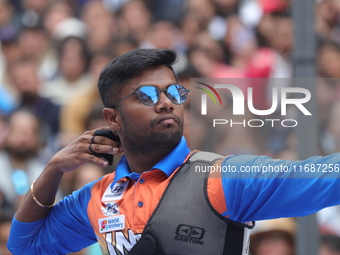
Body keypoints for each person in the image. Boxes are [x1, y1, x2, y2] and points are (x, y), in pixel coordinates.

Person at [7, 48, 340, 254]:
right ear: (112, 118)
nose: (166, 103)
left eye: (174, 93)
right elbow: (24, 246)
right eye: (148, 95)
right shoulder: (98, 197)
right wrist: (53, 170)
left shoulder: (222, 177)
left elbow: (327, 176)